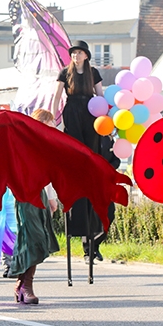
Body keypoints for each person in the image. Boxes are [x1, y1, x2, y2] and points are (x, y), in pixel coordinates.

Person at [51, 39, 106, 264]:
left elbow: (100, 95)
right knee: (75, 146)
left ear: (86, 55)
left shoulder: (93, 72)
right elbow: (57, 96)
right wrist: (54, 118)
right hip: (72, 109)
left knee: (90, 148)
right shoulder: (65, 73)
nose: (75, 56)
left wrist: (106, 119)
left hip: (90, 110)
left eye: (79, 53)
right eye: (73, 53)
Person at [10, 109, 61, 304]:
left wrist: (51, 197)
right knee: (32, 239)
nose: (53, 129)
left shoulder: (46, 146)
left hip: (39, 194)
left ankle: (22, 286)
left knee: (38, 240)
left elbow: (48, 174)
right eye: (50, 125)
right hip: (24, 195)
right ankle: (25, 286)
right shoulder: (23, 144)